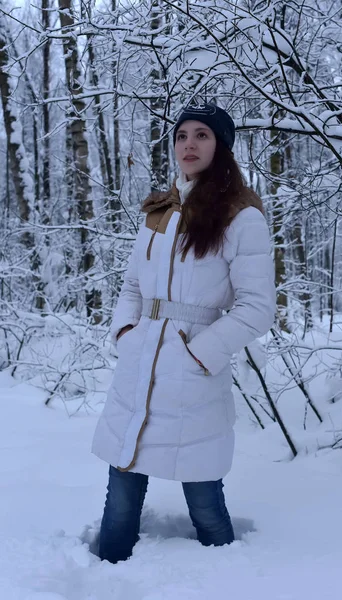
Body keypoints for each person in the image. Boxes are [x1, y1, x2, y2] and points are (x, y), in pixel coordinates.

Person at [91, 101, 276, 563]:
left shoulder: (241, 216)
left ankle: (228, 580)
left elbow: (257, 308)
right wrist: (124, 332)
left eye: (202, 135)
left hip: (193, 370)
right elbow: (132, 284)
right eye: (181, 135)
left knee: (206, 502)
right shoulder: (160, 211)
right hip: (139, 363)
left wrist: (200, 354)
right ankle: (102, 581)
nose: (188, 144)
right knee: (120, 498)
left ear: (222, 147)